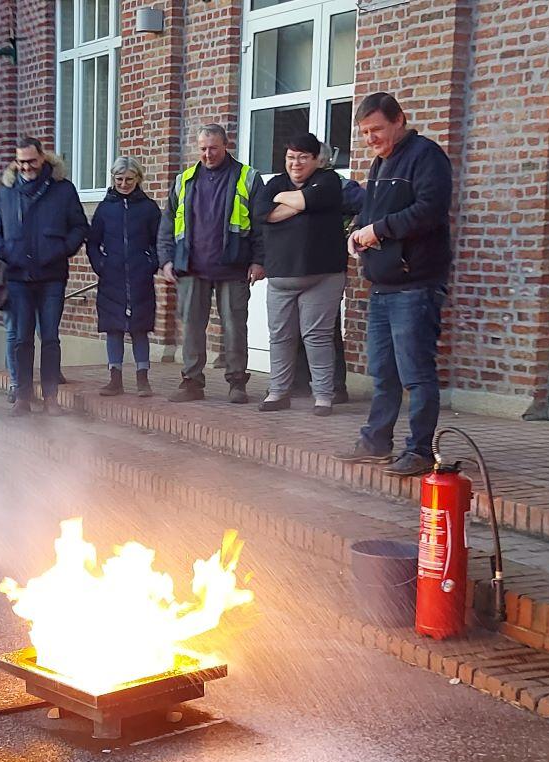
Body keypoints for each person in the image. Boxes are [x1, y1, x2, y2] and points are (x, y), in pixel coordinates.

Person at [335, 92, 454, 476]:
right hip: (383, 285)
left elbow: (430, 212)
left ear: (399, 119)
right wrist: (357, 232)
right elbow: (370, 212)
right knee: (382, 371)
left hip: (416, 285)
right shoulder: (380, 163)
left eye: (377, 130)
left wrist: (378, 230)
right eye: (365, 132)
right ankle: (376, 442)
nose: (371, 138)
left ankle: (419, 450)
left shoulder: (426, 156)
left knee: (417, 373)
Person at [159, 124, 264, 404]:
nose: (208, 154)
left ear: (225, 145)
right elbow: (167, 224)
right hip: (191, 266)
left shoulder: (247, 177)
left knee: (234, 326)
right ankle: (191, 381)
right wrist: (167, 259)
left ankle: (237, 383)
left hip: (234, 266)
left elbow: (262, 225)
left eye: (213, 148)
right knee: (192, 326)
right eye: (203, 148)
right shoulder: (184, 180)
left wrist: (258, 260)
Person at [0, 136, 87, 416]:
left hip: (52, 275)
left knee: (51, 338)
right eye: (21, 162)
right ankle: (23, 397)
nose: (27, 167)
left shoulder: (62, 190)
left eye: (31, 161)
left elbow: (79, 226)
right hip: (18, 277)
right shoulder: (7, 191)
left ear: (43, 158)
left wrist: (63, 249)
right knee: (21, 338)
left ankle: (51, 397)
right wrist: (6, 251)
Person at [253, 131, 348, 415]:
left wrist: (285, 200)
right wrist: (301, 201)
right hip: (281, 276)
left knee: (317, 337)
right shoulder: (274, 183)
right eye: (291, 158)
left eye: (303, 158)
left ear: (317, 160)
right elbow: (261, 212)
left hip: (324, 274)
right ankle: (278, 392)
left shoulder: (329, 181)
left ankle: (323, 396)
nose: (295, 163)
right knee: (280, 337)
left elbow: (310, 200)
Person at [85, 155, 160, 397]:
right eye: (119, 179)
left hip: (140, 278)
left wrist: (151, 263)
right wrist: (101, 265)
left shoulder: (148, 208)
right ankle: (114, 379)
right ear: (113, 179)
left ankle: (142, 379)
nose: (124, 184)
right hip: (111, 278)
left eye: (129, 179)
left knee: (139, 329)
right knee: (113, 328)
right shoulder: (105, 209)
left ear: (138, 179)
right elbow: (93, 242)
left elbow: (159, 240)